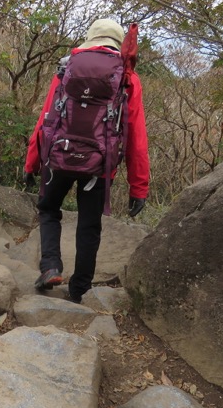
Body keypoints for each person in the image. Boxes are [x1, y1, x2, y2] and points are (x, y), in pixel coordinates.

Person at [23, 18, 150, 303]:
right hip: (101, 166)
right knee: (89, 224)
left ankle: (51, 266)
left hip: (58, 158)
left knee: (48, 209)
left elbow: (45, 119)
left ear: (89, 39)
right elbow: (136, 136)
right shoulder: (127, 77)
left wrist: (31, 161)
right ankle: (79, 290)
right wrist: (138, 187)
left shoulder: (67, 68)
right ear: (117, 43)